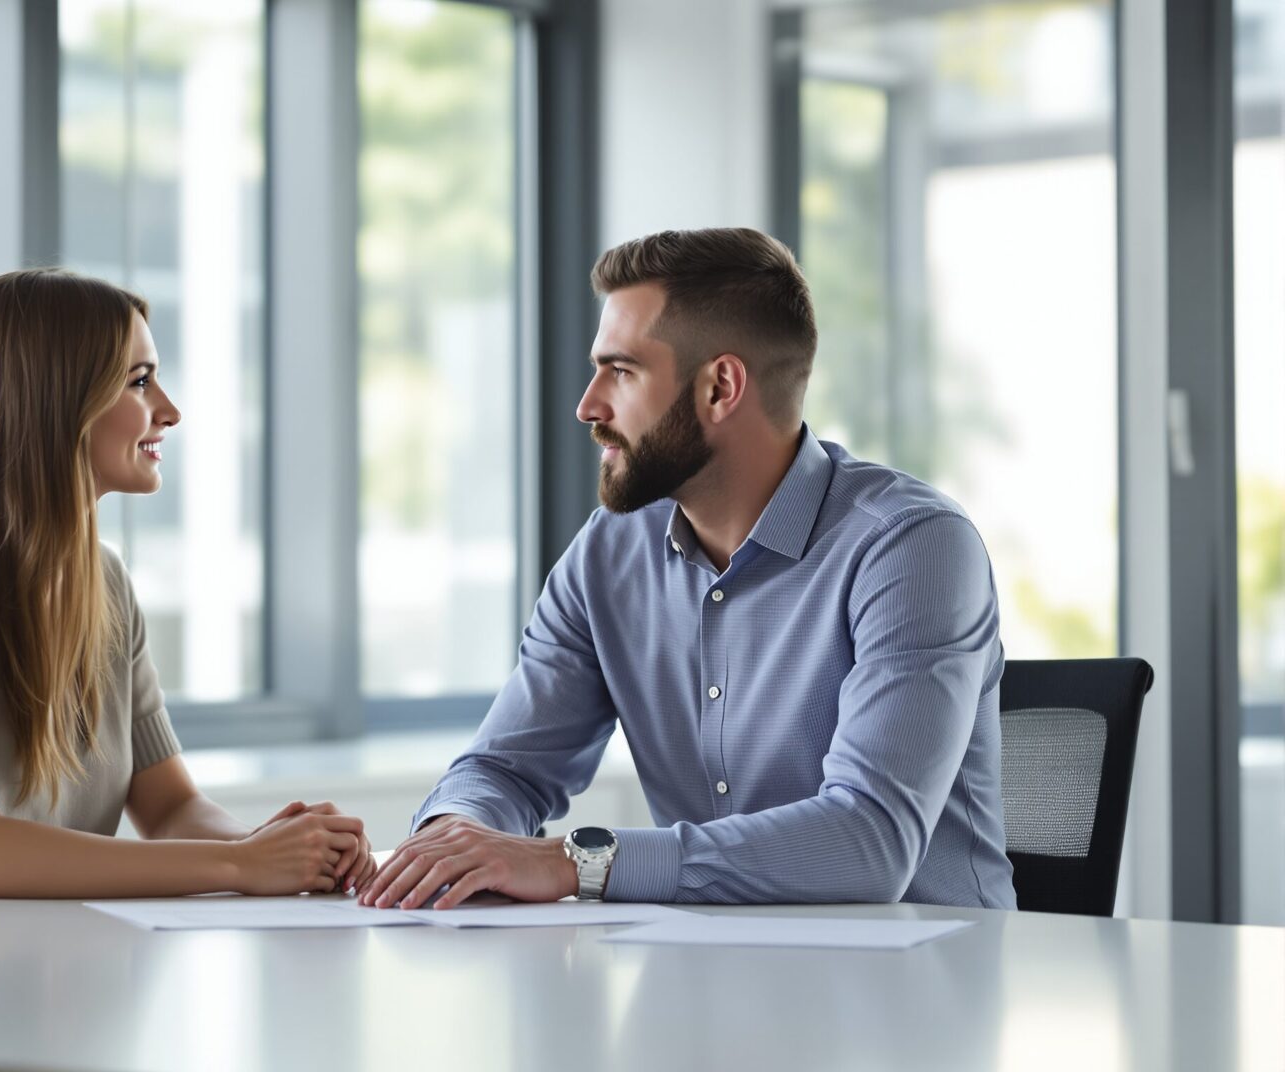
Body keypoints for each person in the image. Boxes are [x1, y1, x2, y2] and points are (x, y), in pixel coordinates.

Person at [362, 227, 1016, 911]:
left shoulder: (911, 548)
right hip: (705, 963)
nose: (588, 406)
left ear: (720, 387)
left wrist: (576, 862)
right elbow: (506, 768)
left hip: (928, 968)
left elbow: (868, 841)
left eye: (621, 371)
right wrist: (455, 839)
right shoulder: (610, 553)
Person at [0, 268, 376, 906]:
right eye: (139, 381)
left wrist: (279, 849)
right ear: (51, 401)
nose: (169, 411)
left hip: (14, 961)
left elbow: (171, 810)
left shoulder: (105, 583)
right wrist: (239, 865)